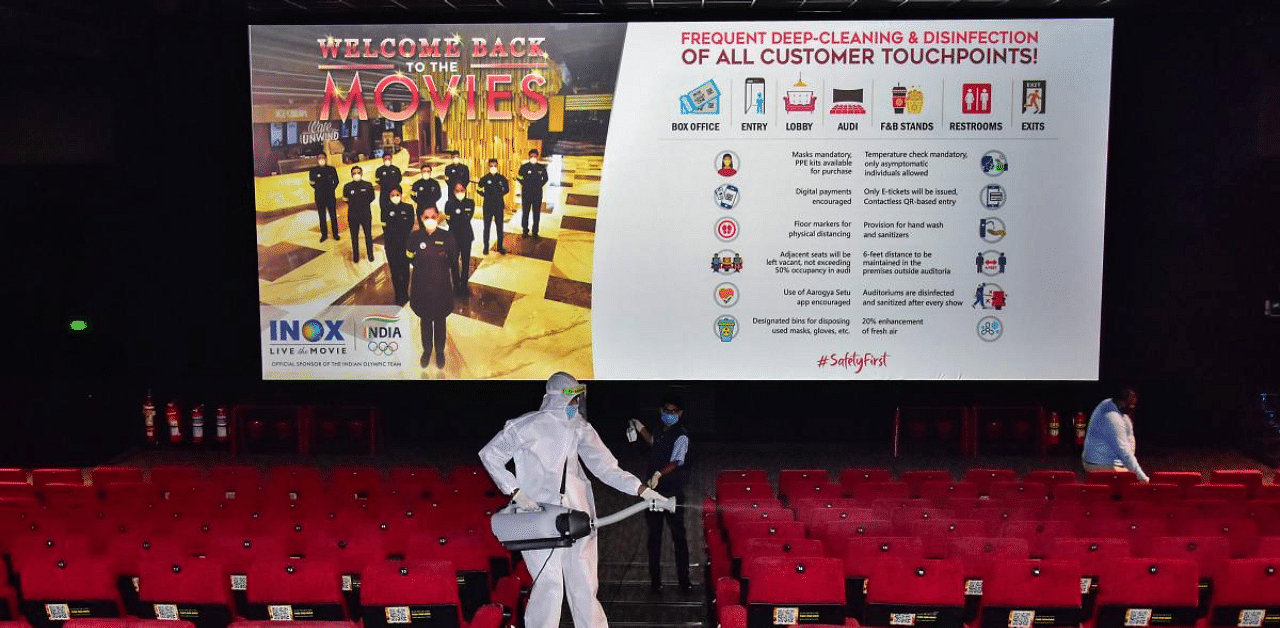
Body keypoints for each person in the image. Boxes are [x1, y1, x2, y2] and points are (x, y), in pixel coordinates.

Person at [480, 372, 671, 628]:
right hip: (537, 518)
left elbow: (605, 467)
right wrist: (515, 492)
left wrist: (640, 489)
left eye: (577, 400)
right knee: (550, 586)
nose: (575, 406)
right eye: (572, 400)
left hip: (579, 516)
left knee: (584, 583)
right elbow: (490, 454)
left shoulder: (579, 427)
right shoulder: (524, 426)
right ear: (556, 399)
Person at [629, 393, 692, 593]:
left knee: (678, 538)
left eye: (674, 412)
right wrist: (639, 427)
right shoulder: (660, 430)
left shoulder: (682, 435)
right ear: (661, 412)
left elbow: (675, 461)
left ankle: (684, 582)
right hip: (652, 494)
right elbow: (653, 441)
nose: (669, 414)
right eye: (666, 411)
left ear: (680, 414)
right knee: (653, 539)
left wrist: (658, 473)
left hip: (672, 493)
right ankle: (655, 582)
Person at [407, 203, 456, 369]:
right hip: (421, 286)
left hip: (441, 286)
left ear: (439, 217)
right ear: (421, 218)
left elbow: (452, 261)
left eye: (433, 217)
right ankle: (427, 351)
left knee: (440, 321)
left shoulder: (447, 236)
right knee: (425, 321)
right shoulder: (415, 237)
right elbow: (409, 256)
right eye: (426, 217)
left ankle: (440, 352)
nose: (430, 220)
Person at [1082, 386, 1149, 483]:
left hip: (1098, 461)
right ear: (1121, 402)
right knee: (1135, 482)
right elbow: (1124, 451)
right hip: (1099, 465)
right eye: (1130, 405)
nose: (1133, 407)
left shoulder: (1109, 403)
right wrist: (1142, 477)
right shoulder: (1112, 418)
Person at [381, 186, 415, 306]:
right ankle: (398, 293)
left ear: (401, 195)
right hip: (391, 245)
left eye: (397, 194)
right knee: (394, 271)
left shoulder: (408, 208)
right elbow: (384, 227)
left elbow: (410, 225)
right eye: (392, 195)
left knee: (405, 270)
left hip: (404, 244)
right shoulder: (385, 209)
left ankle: (405, 293)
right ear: (389, 197)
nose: (395, 197)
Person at [443, 182, 476, 295]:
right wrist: (460, 216)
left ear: (465, 191)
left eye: (462, 190)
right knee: (453, 261)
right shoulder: (449, 204)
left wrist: (457, 217)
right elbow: (449, 220)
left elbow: (467, 218)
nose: (460, 193)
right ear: (453, 192)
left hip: (466, 236)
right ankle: (456, 284)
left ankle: (464, 284)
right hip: (453, 237)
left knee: (466, 261)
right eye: (457, 191)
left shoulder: (470, 203)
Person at [342, 166, 376, 263]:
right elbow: (345, 200)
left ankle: (370, 254)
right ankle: (356, 255)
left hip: (365, 214)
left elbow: (371, 197)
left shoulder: (368, 185)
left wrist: (363, 204)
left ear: (361, 174)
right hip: (353, 215)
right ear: (351, 175)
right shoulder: (347, 187)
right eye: (354, 173)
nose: (356, 174)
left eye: (358, 172)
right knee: (354, 236)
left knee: (368, 235)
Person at [477, 158, 510, 255]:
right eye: (491, 166)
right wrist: (485, 195)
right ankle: (486, 247)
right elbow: (478, 189)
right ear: (488, 166)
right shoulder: (484, 178)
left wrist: (499, 195)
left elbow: (507, 189)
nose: (493, 168)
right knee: (486, 227)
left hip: (499, 205)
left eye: (495, 166)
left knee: (499, 227)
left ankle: (500, 247)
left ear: (497, 166)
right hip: (487, 206)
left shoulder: (502, 178)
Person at [516, 148, 549, 238]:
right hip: (526, 193)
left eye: (535, 156)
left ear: (537, 157)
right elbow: (518, 177)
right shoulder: (524, 167)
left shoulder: (541, 168)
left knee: (536, 213)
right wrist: (525, 184)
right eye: (531, 156)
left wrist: (539, 185)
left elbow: (546, 178)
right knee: (525, 213)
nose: (533, 158)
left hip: (537, 194)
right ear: (529, 157)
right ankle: (525, 230)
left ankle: (535, 231)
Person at [308, 154, 340, 242]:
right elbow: (311, 182)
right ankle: (324, 235)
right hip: (319, 197)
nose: (321, 160)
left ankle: (335, 234)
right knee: (322, 216)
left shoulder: (331, 169)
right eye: (319, 158)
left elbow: (336, 181)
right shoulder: (313, 171)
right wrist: (318, 189)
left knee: (333, 216)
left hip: (330, 196)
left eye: (323, 158)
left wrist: (331, 189)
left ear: (326, 159)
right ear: (317, 159)